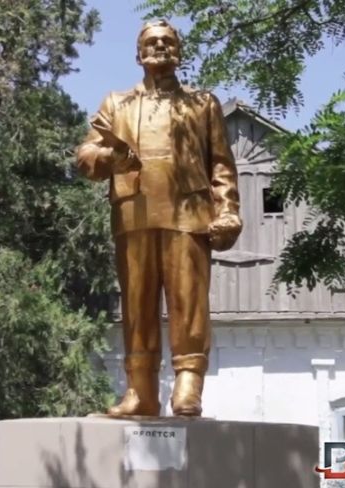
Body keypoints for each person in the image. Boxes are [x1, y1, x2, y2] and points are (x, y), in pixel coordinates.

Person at [76, 20, 241, 417]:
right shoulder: (116, 104)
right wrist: (110, 157)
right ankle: (140, 391)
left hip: (189, 213)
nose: (160, 46)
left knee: (189, 302)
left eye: (168, 41)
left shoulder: (202, 103)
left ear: (179, 52)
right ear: (138, 54)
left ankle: (188, 384)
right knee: (137, 305)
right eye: (151, 42)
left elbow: (221, 164)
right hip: (134, 213)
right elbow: (85, 156)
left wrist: (228, 210)